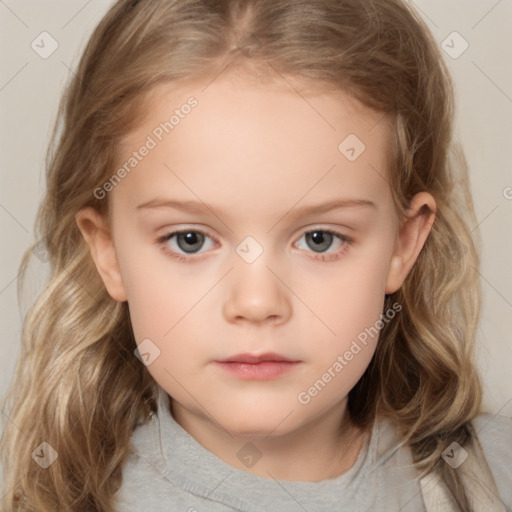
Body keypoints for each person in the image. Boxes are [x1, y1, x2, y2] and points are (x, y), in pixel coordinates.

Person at [1, 0, 511, 511]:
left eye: (320, 239)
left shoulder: (492, 477)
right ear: (107, 252)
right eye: (190, 240)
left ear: (404, 244)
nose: (257, 302)